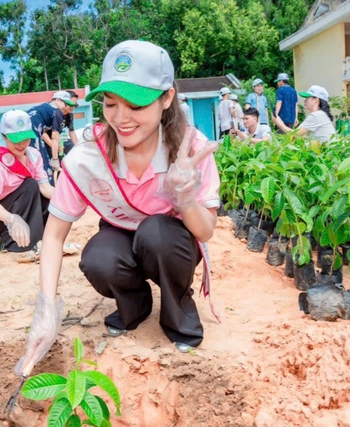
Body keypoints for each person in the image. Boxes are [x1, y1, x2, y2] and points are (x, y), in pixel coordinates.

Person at [15, 40, 221, 374]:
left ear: (167, 98)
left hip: (171, 239)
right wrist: (46, 306)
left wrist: (184, 199)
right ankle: (134, 305)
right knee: (99, 258)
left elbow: (206, 231)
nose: (121, 119)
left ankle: (178, 312)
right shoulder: (87, 157)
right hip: (122, 232)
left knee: (157, 234)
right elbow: (53, 236)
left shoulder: (190, 150)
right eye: (110, 104)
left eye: (136, 106)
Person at [0, 110, 53, 256]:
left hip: (19, 205)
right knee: (29, 185)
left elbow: (45, 187)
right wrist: (10, 219)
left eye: (25, 139)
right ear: (4, 137)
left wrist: (66, 198)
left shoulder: (34, 155)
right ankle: (9, 240)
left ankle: (42, 237)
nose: (21, 144)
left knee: (50, 200)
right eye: (15, 140)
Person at [27, 90, 76, 185]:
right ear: (57, 100)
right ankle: (47, 187)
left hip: (25, 130)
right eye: (65, 103)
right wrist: (55, 160)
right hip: (33, 131)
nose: (67, 107)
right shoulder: (57, 112)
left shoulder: (45, 106)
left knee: (32, 158)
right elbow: (55, 138)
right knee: (40, 162)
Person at [60, 90, 79, 156]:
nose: (73, 107)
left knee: (74, 149)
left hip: (61, 139)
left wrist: (78, 147)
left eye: (75, 105)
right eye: (70, 104)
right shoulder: (55, 113)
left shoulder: (70, 116)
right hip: (49, 140)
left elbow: (71, 132)